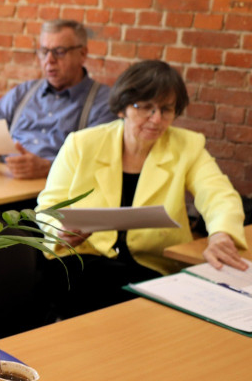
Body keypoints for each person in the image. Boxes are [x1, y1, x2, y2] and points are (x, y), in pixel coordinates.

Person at [37, 59, 248, 319]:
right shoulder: (82, 144)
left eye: (166, 109)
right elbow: (49, 205)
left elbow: (218, 194)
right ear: (122, 108)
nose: (156, 119)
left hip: (152, 266)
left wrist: (221, 234)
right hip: (85, 258)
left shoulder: (187, 146)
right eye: (145, 108)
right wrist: (59, 230)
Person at [0, 19, 115, 180]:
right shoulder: (24, 92)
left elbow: (98, 162)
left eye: (59, 52)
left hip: (50, 197)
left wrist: (48, 168)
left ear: (83, 54)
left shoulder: (103, 103)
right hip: (5, 182)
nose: (49, 60)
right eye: (44, 51)